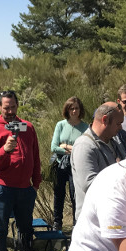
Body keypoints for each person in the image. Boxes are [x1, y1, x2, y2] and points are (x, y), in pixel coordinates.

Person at [0, 90, 42, 251]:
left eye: (13, 107)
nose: (10, 112)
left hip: (26, 188)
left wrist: (36, 183)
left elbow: (35, 156)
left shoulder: (28, 127)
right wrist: (5, 150)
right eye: (6, 108)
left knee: (26, 227)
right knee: (0, 227)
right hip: (2, 188)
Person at [70, 103, 126, 221]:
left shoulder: (114, 141)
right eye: (118, 123)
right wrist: (119, 174)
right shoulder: (84, 146)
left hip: (113, 217)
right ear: (105, 120)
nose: (121, 127)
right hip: (93, 224)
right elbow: (90, 186)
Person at [49, 97, 90, 231]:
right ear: (67, 110)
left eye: (76, 108)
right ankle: (57, 223)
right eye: (71, 108)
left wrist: (66, 146)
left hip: (77, 166)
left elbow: (85, 147)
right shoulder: (61, 125)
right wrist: (69, 150)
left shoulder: (85, 127)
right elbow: (54, 147)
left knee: (75, 195)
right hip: (60, 164)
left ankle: (76, 223)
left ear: (80, 110)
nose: (74, 111)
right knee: (58, 194)